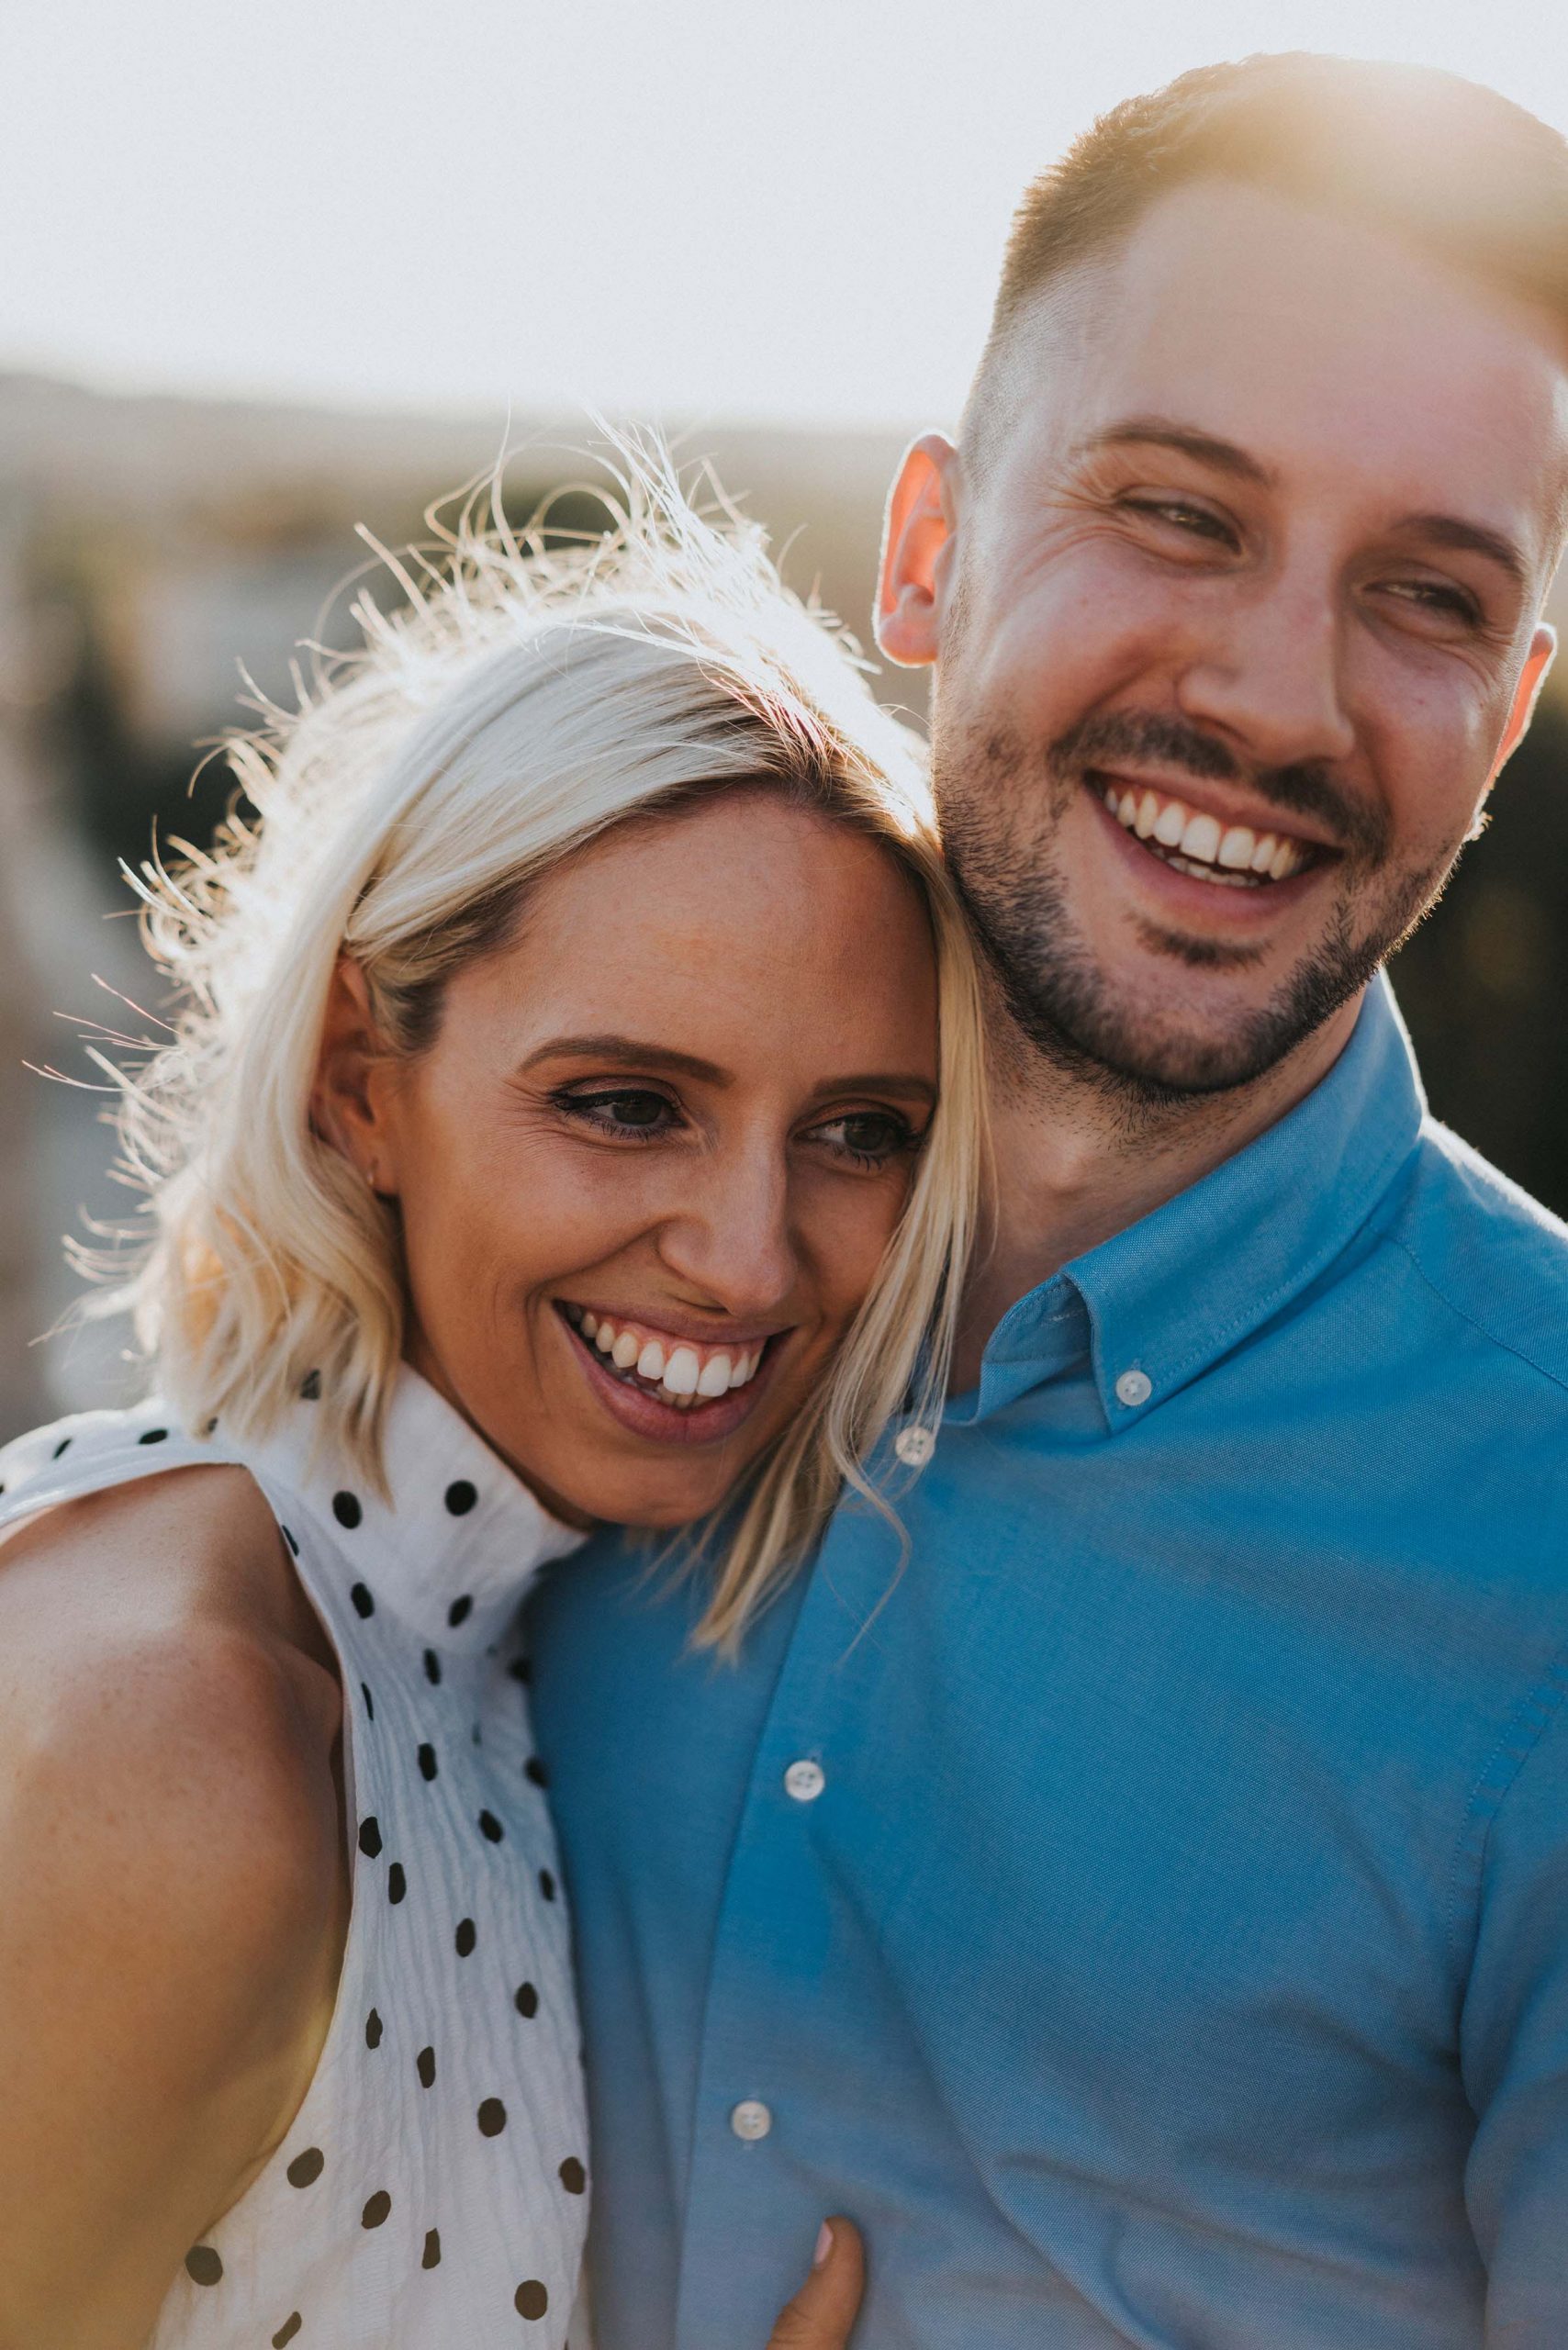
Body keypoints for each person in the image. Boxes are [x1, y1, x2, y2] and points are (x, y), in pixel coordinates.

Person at [529, 52, 1568, 2348]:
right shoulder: (559, 1270)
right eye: (1177, 512)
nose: (1271, 696)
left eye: (1422, 593)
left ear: (1500, 725)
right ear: (923, 550)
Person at [0, 468, 984, 2348]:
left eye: (862, 1132)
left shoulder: (471, 1651)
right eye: (625, 1102)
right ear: (364, 1080)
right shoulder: (182, 1729)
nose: (751, 1257)